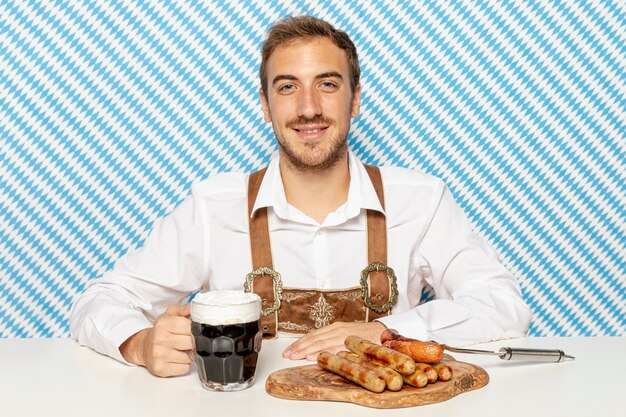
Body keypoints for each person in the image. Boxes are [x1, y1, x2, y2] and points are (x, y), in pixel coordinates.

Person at [70, 15, 532, 377]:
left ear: (354, 100)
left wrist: (386, 330)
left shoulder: (420, 200)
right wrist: (139, 343)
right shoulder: (214, 206)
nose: (308, 107)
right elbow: (102, 299)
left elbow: (504, 307)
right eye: (287, 87)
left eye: (327, 85)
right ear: (265, 105)